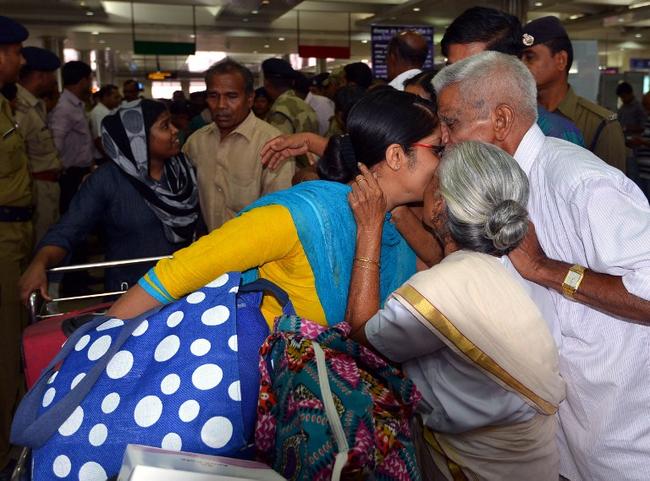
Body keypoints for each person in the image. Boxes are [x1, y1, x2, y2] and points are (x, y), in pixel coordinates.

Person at [433, 50, 650, 481]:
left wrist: (548, 269)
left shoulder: (579, 183)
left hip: (621, 440)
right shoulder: (508, 184)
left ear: (500, 120)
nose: (443, 137)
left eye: (451, 123)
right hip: (563, 431)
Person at [106, 89, 441, 331]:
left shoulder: (399, 227)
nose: (444, 163)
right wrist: (96, 348)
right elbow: (175, 275)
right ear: (397, 156)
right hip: (263, 408)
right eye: (438, 150)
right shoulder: (301, 216)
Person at [346, 142, 565, 481]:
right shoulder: (523, 270)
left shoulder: (439, 291)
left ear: (439, 205)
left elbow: (361, 339)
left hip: (472, 467)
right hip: (539, 465)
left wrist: (370, 229)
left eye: (432, 181)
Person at [19, 99, 199, 302]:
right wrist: (39, 263)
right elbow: (68, 230)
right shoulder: (107, 180)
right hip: (129, 294)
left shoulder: (184, 172)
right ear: (136, 137)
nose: (175, 130)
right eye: (165, 126)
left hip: (185, 290)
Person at [441, 6, 584, 147]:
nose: (455, 81)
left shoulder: (555, 134)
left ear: (508, 67)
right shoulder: (446, 125)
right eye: (451, 70)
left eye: (471, 70)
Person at [183, 59, 293, 232]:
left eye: (231, 96)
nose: (220, 105)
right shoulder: (196, 142)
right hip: (208, 250)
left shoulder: (273, 144)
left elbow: (278, 214)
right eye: (213, 96)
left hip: (254, 253)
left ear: (250, 99)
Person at [522, 16, 626, 172]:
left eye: (530, 57)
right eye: (519, 58)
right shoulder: (520, 115)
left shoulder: (600, 125)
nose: (521, 65)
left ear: (561, 60)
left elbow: (614, 192)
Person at [0, 15, 30, 481]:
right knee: (7, 349)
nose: (21, 60)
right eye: (15, 52)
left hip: (16, 232)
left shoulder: (6, 105)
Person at [15, 47, 63, 246]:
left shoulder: (36, 105)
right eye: (52, 75)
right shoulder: (20, 108)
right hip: (35, 189)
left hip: (47, 187)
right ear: (41, 76)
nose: (54, 80)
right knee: (38, 246)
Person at [49, 60, 94, 214]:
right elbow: (56, 142)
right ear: (83, 81)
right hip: (69, 175)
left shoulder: (76, 105)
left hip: (79, 172)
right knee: (71, 217)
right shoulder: (64, 107)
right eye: (90, 80)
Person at [89, 84, 121, 164]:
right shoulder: (98, 112)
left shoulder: (108, 111)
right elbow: (98, 140)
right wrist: (112, 159)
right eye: (116, 97)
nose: (119, 100)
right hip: (103, 158)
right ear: (105, 97)